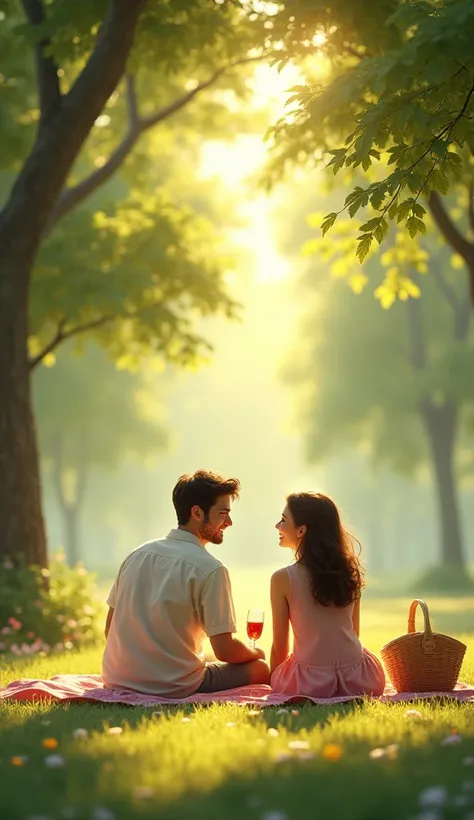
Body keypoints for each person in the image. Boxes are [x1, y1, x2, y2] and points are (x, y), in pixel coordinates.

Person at [102, 470, 269, 697]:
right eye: (223, 513)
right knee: (261, 669)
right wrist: (255, 652)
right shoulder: (211, 569)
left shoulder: (136, 555)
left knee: (203, 657)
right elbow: (225, 650)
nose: (229, 522)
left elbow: (109, 629)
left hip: (117, 678)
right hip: (174, 685)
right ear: (197, 513)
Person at [270, 492, 385, 698]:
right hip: (362, 679)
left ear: (301, 530)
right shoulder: (349, 571)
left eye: (283, 520)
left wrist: (274, 682)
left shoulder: (282, 578)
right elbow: (354, 632)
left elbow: (280, 646)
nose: (277, 526)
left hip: (307, 684)